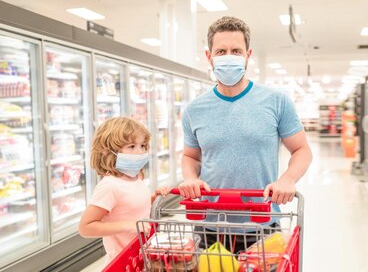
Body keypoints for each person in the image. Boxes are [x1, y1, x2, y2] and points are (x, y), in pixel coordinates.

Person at [178, 16, 312, 252]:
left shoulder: (276, 101)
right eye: (221, 51)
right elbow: (191, 156)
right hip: (209, 224)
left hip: (262, 223)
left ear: (248, 55)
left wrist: (287, 179)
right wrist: (190, 177)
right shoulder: (194, 109)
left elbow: (301, 149)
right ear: (209, 57)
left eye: (236, 50)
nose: (228, 56)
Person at [78, 117, 169, 263]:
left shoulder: (135, 177)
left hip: (141, 255)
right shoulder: (109, 186)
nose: (140, 152)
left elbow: (128, 207)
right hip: (123, 260)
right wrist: (127, 226)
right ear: (108, 151)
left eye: (143, 146)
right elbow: (85, 227)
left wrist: (153, 198)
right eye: (132, 146)